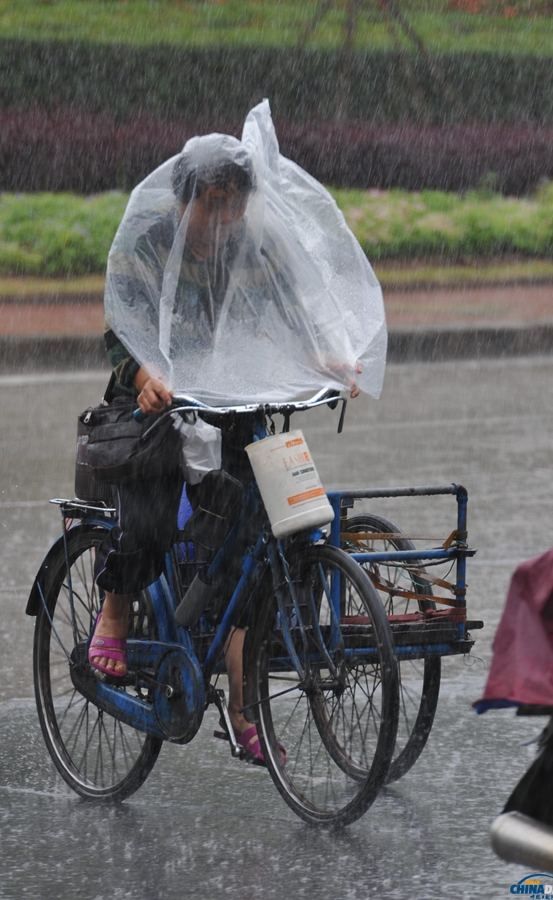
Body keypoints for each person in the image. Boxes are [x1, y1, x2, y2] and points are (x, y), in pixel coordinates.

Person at [88, 101, 386, 762]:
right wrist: (141, 377)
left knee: (274, 532)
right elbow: (121, 323)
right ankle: (113, 615)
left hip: (232, 402)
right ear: (184, 200)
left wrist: (330, 360)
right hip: (153, 407)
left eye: (233, 205)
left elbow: (296, 314)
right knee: (149, 506)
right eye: (211, 204)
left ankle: (245, 707)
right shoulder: (148, 243)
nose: (222, 219)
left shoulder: (258, 245)